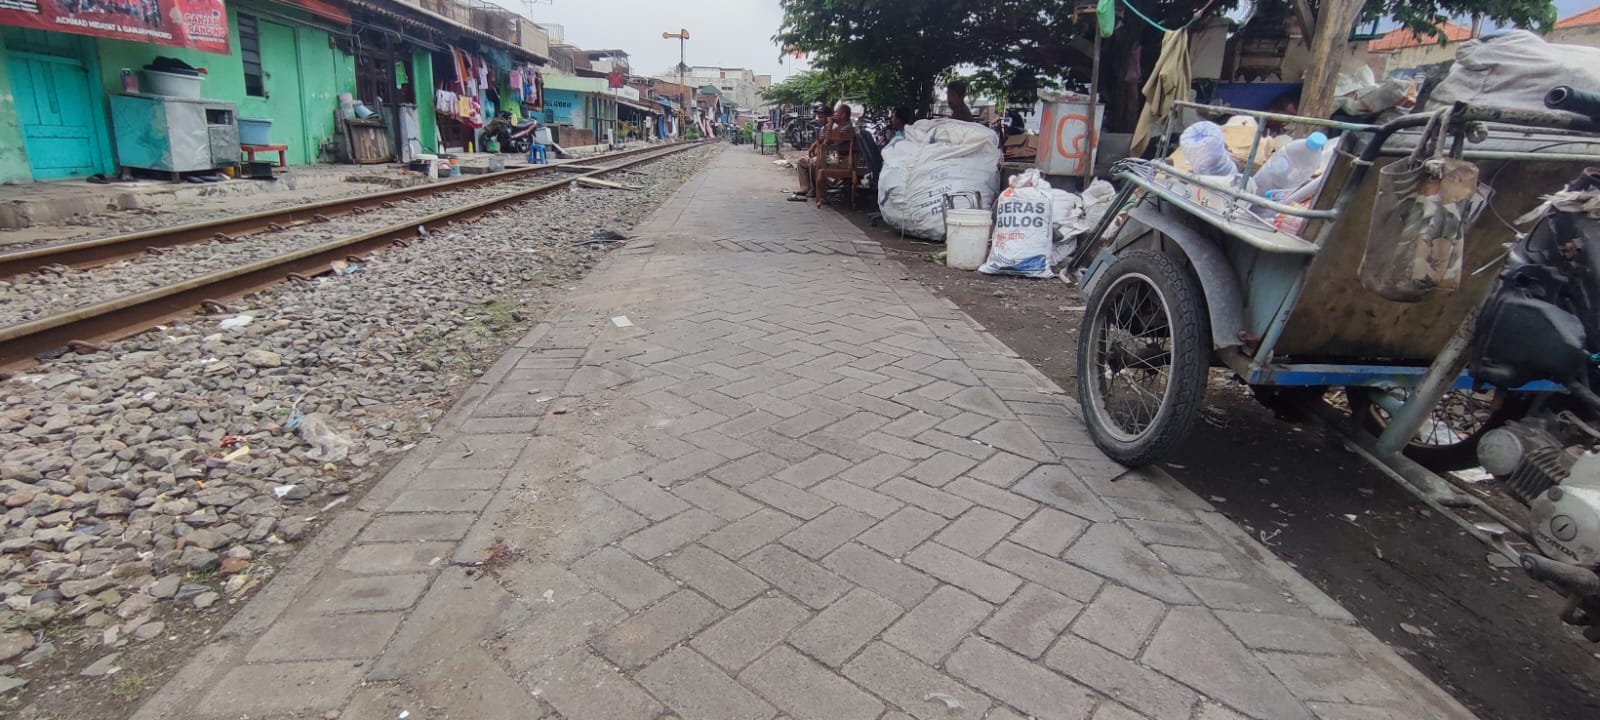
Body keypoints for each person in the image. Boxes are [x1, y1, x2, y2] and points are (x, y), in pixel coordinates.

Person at [789, 104, 856, 202]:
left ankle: (819, 191)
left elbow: (830, 141)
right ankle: (806, 187)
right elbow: (823, 140)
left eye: (837, 112)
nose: (834, 114)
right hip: (834, 157)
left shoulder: (847, 127)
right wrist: (815, 145)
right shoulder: (837, 126)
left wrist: (830, 124)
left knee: (814, 162)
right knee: (802, 161)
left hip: (841, 159)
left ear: (843, 115)